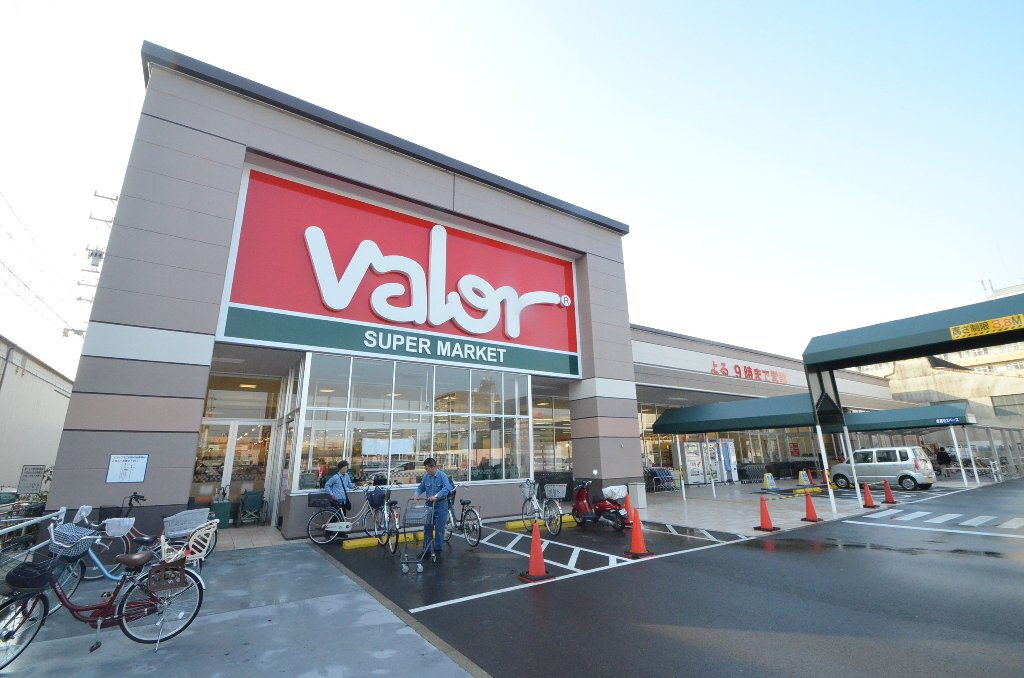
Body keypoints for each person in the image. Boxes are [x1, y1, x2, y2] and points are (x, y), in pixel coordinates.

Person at [415, 457, 451, 563]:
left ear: (433, 467)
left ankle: (438, 552)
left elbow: (447, 488)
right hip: (429, 506)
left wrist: (436, 496)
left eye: (427, 468)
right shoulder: (426, 477)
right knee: (427, 529)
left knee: (439, 530)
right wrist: (416, 494)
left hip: (440, 506)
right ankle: (426, 551)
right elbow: (421, 487)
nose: (426, 470)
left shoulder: (442, 476)